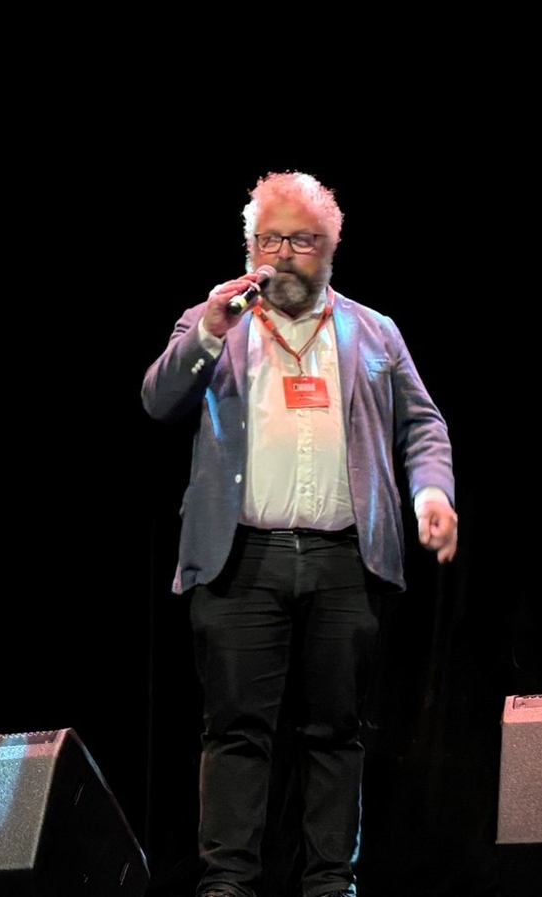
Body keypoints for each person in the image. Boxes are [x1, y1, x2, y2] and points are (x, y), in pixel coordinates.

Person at [141, 170, 458, 897]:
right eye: (269, 239)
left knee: (335, 732)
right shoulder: (213, 321)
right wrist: (208, 331)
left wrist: (431, 493)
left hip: (343, 559)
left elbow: (422, 425)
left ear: (330, 248)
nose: (282, 254)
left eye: (302, 241)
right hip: (240, 560)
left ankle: (330, 883)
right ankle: (227, 883)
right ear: (250, 245)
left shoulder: (374, 331)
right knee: (234, 731)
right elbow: (159, 400)